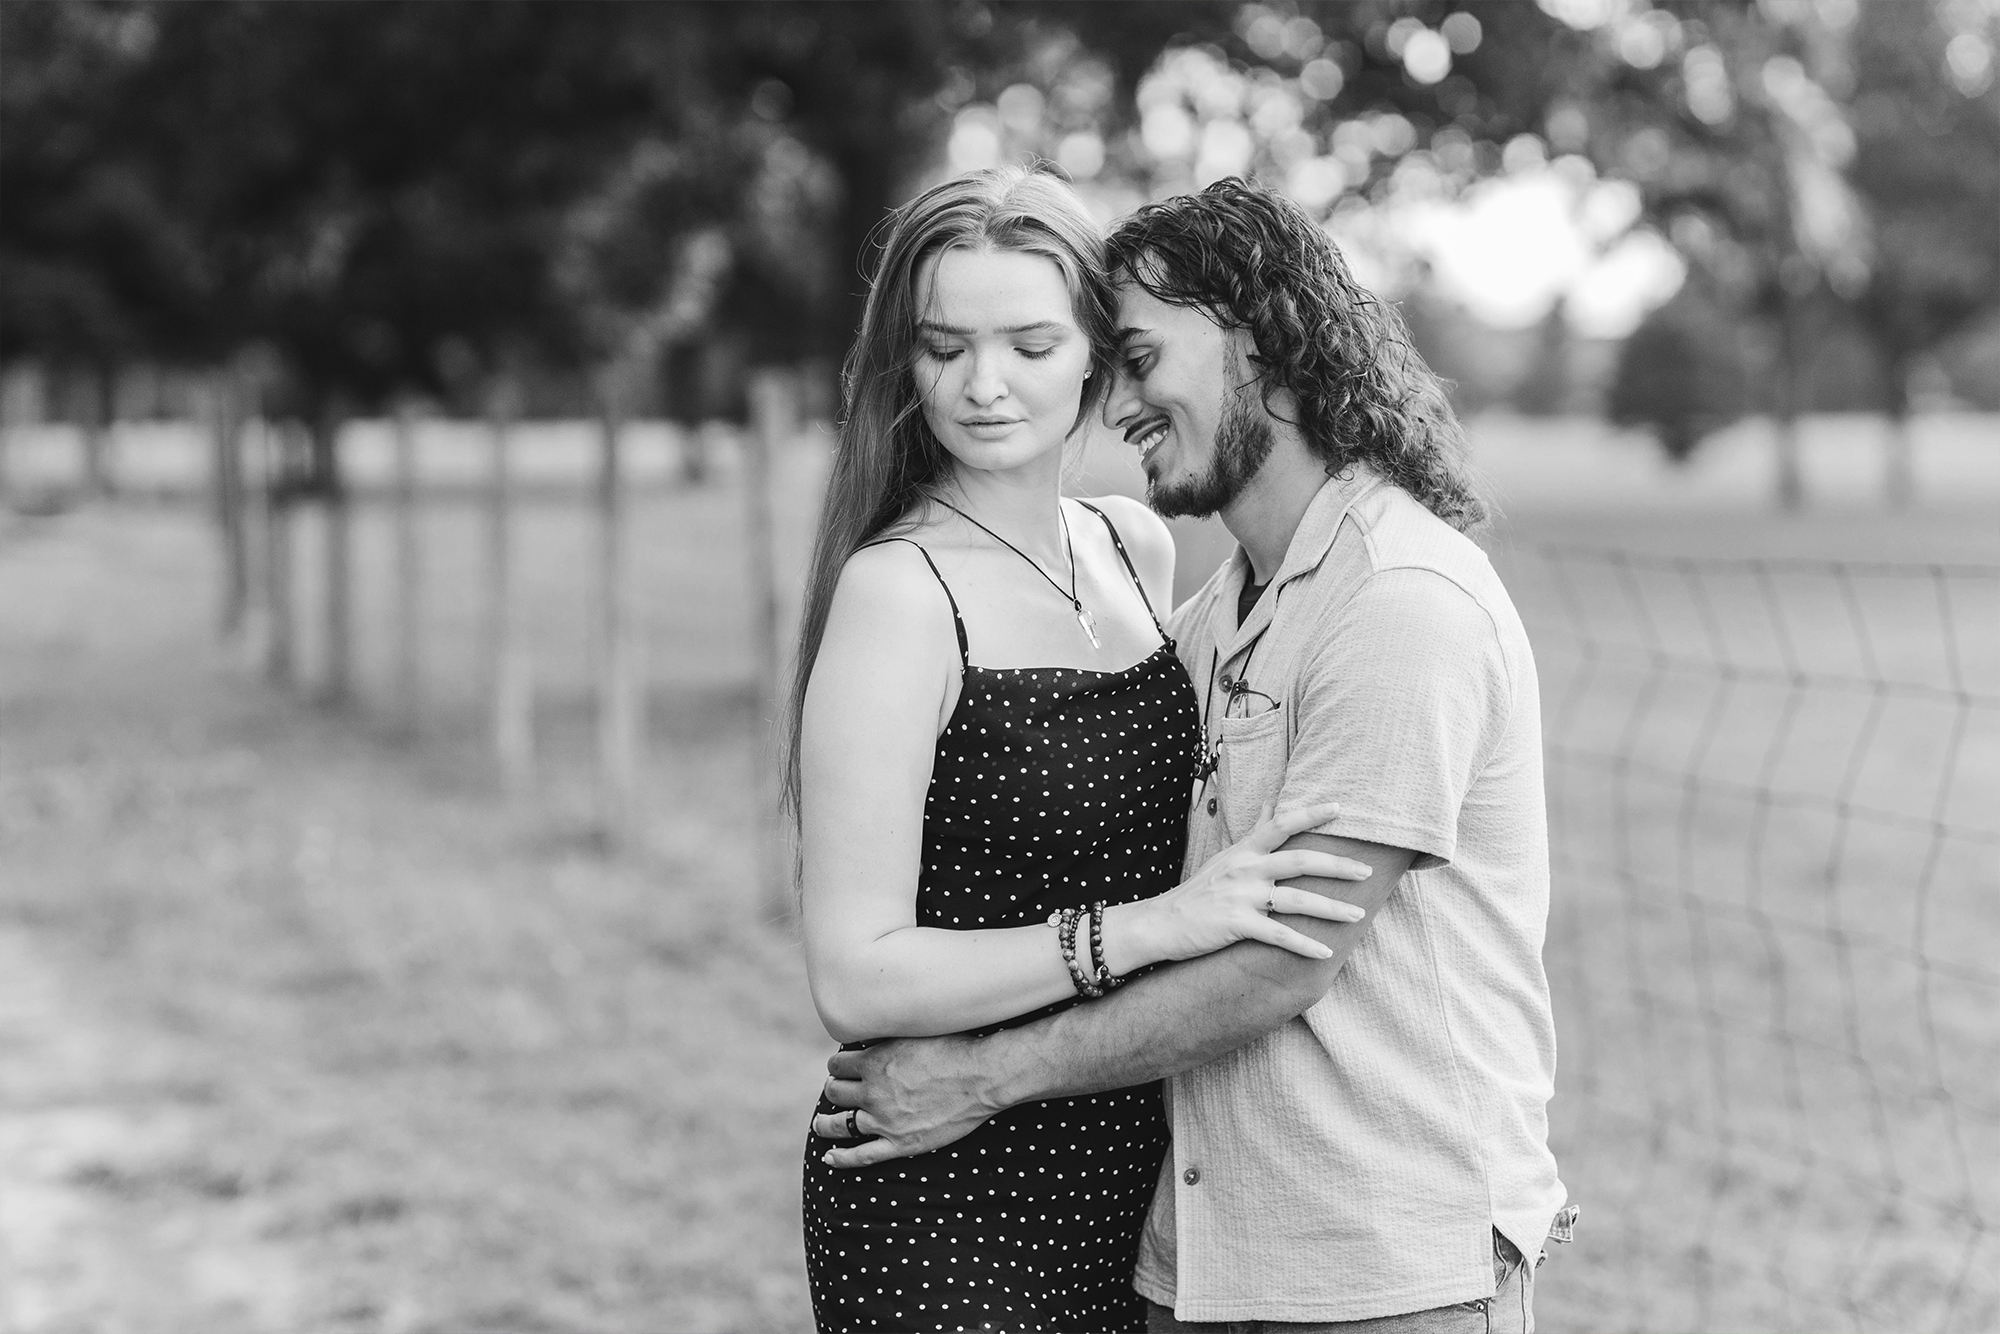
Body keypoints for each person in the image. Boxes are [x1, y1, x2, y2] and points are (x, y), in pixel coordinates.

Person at [818, 178, 1572, 1332]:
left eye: (1111, 353)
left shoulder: (1377, 600)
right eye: (943, 345)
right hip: (1168, 1238)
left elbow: (1278, 958)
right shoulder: (1215, 604)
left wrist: (983, 1072)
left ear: (1261, 348)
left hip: (1379, 1257)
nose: (1113, 403)